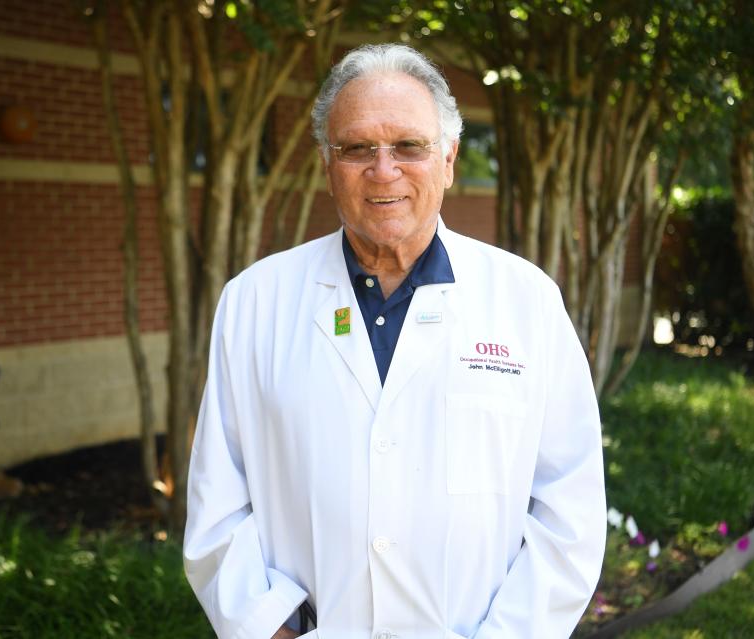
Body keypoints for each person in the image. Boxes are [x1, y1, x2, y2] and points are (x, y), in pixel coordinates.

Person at [183, 43, 606, 639]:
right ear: (327, 163)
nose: (384, 171)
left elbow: (571, 506)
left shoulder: (526, 301)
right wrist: (267, 627)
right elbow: (217, 503)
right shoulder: (253, 303)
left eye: (409, 146)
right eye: (357, 148)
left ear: (449, 158)